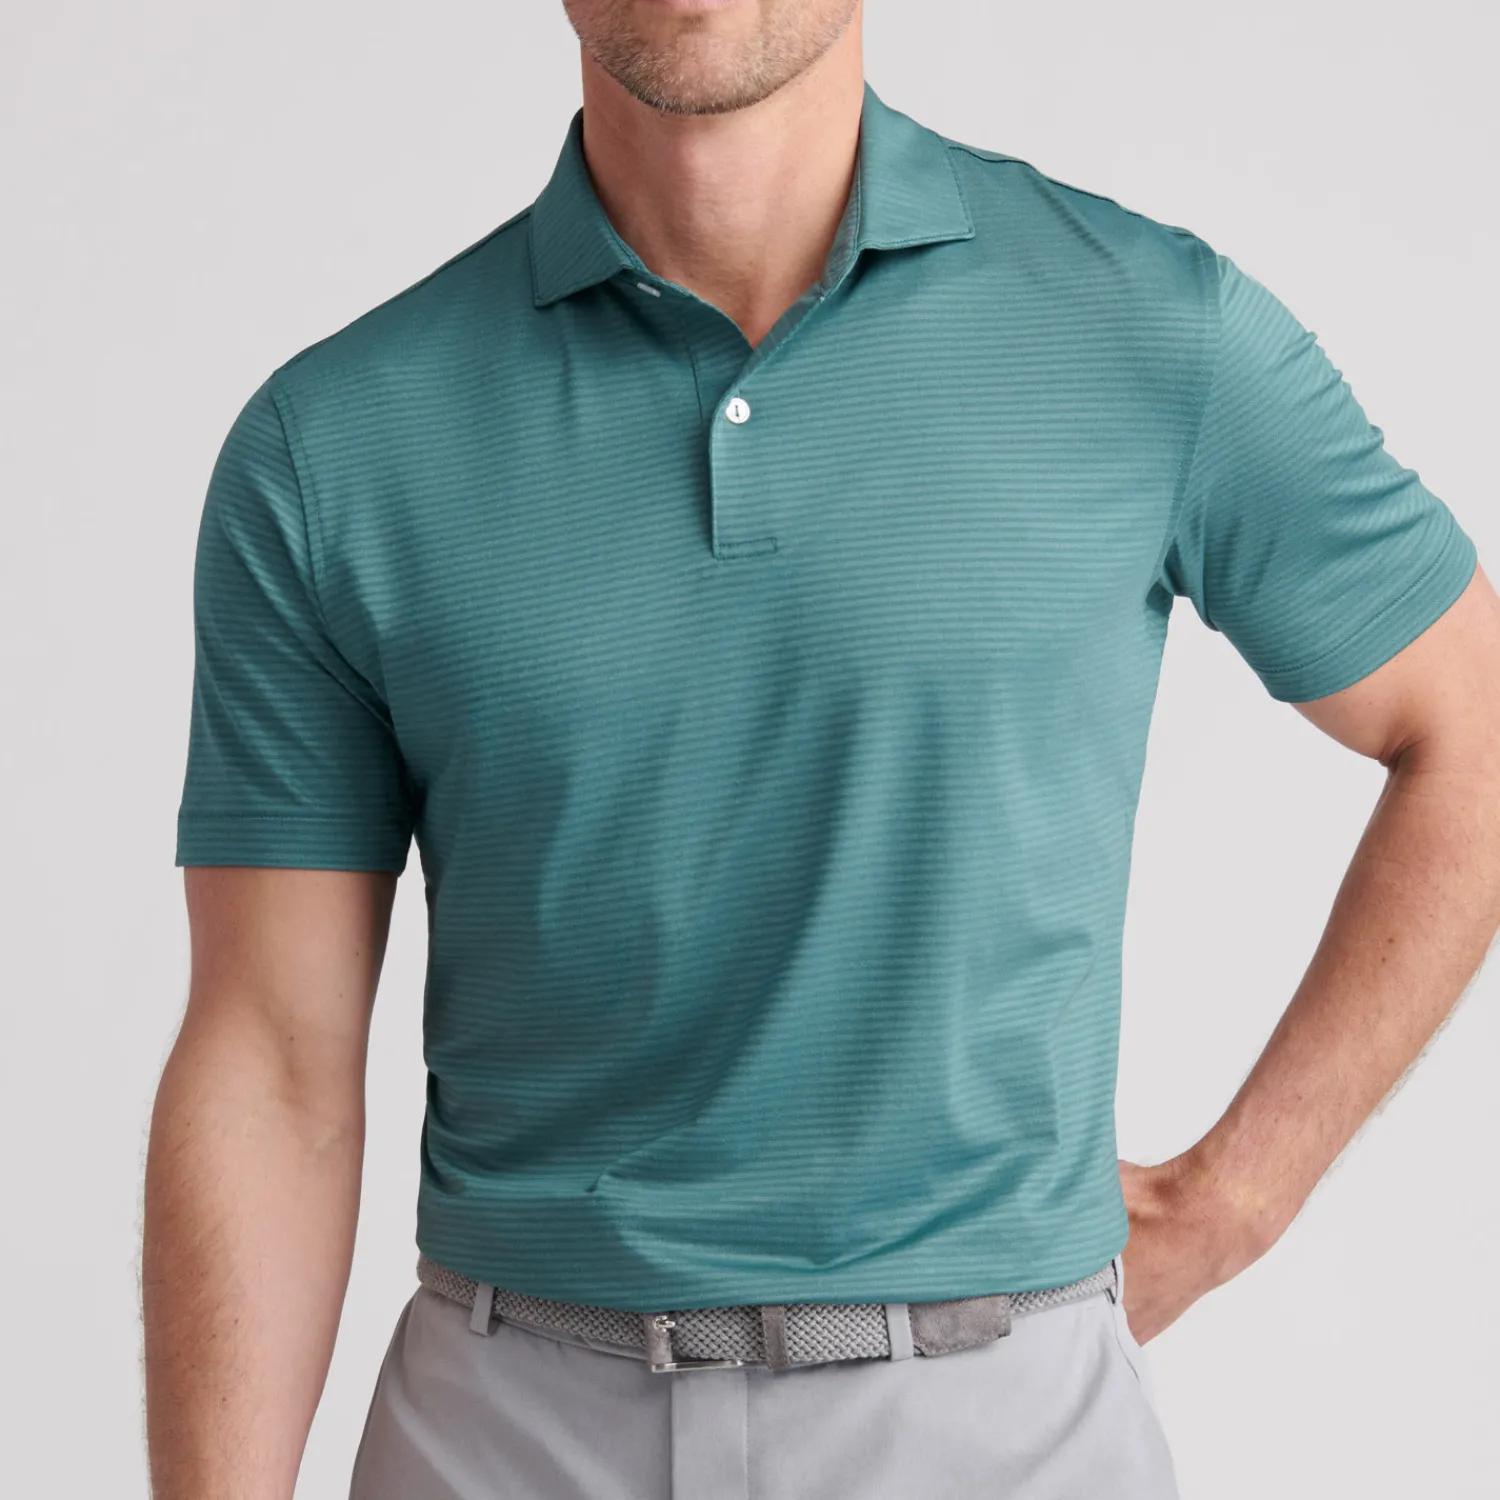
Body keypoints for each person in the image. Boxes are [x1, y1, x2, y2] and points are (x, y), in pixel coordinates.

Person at [140, 2, 1500, 1497]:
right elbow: (270, 1061)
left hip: (997, 1435)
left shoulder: (1149, 330)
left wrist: (1235, 1200)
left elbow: (1473, 728)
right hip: (506, 1437)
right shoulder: (334, 444)